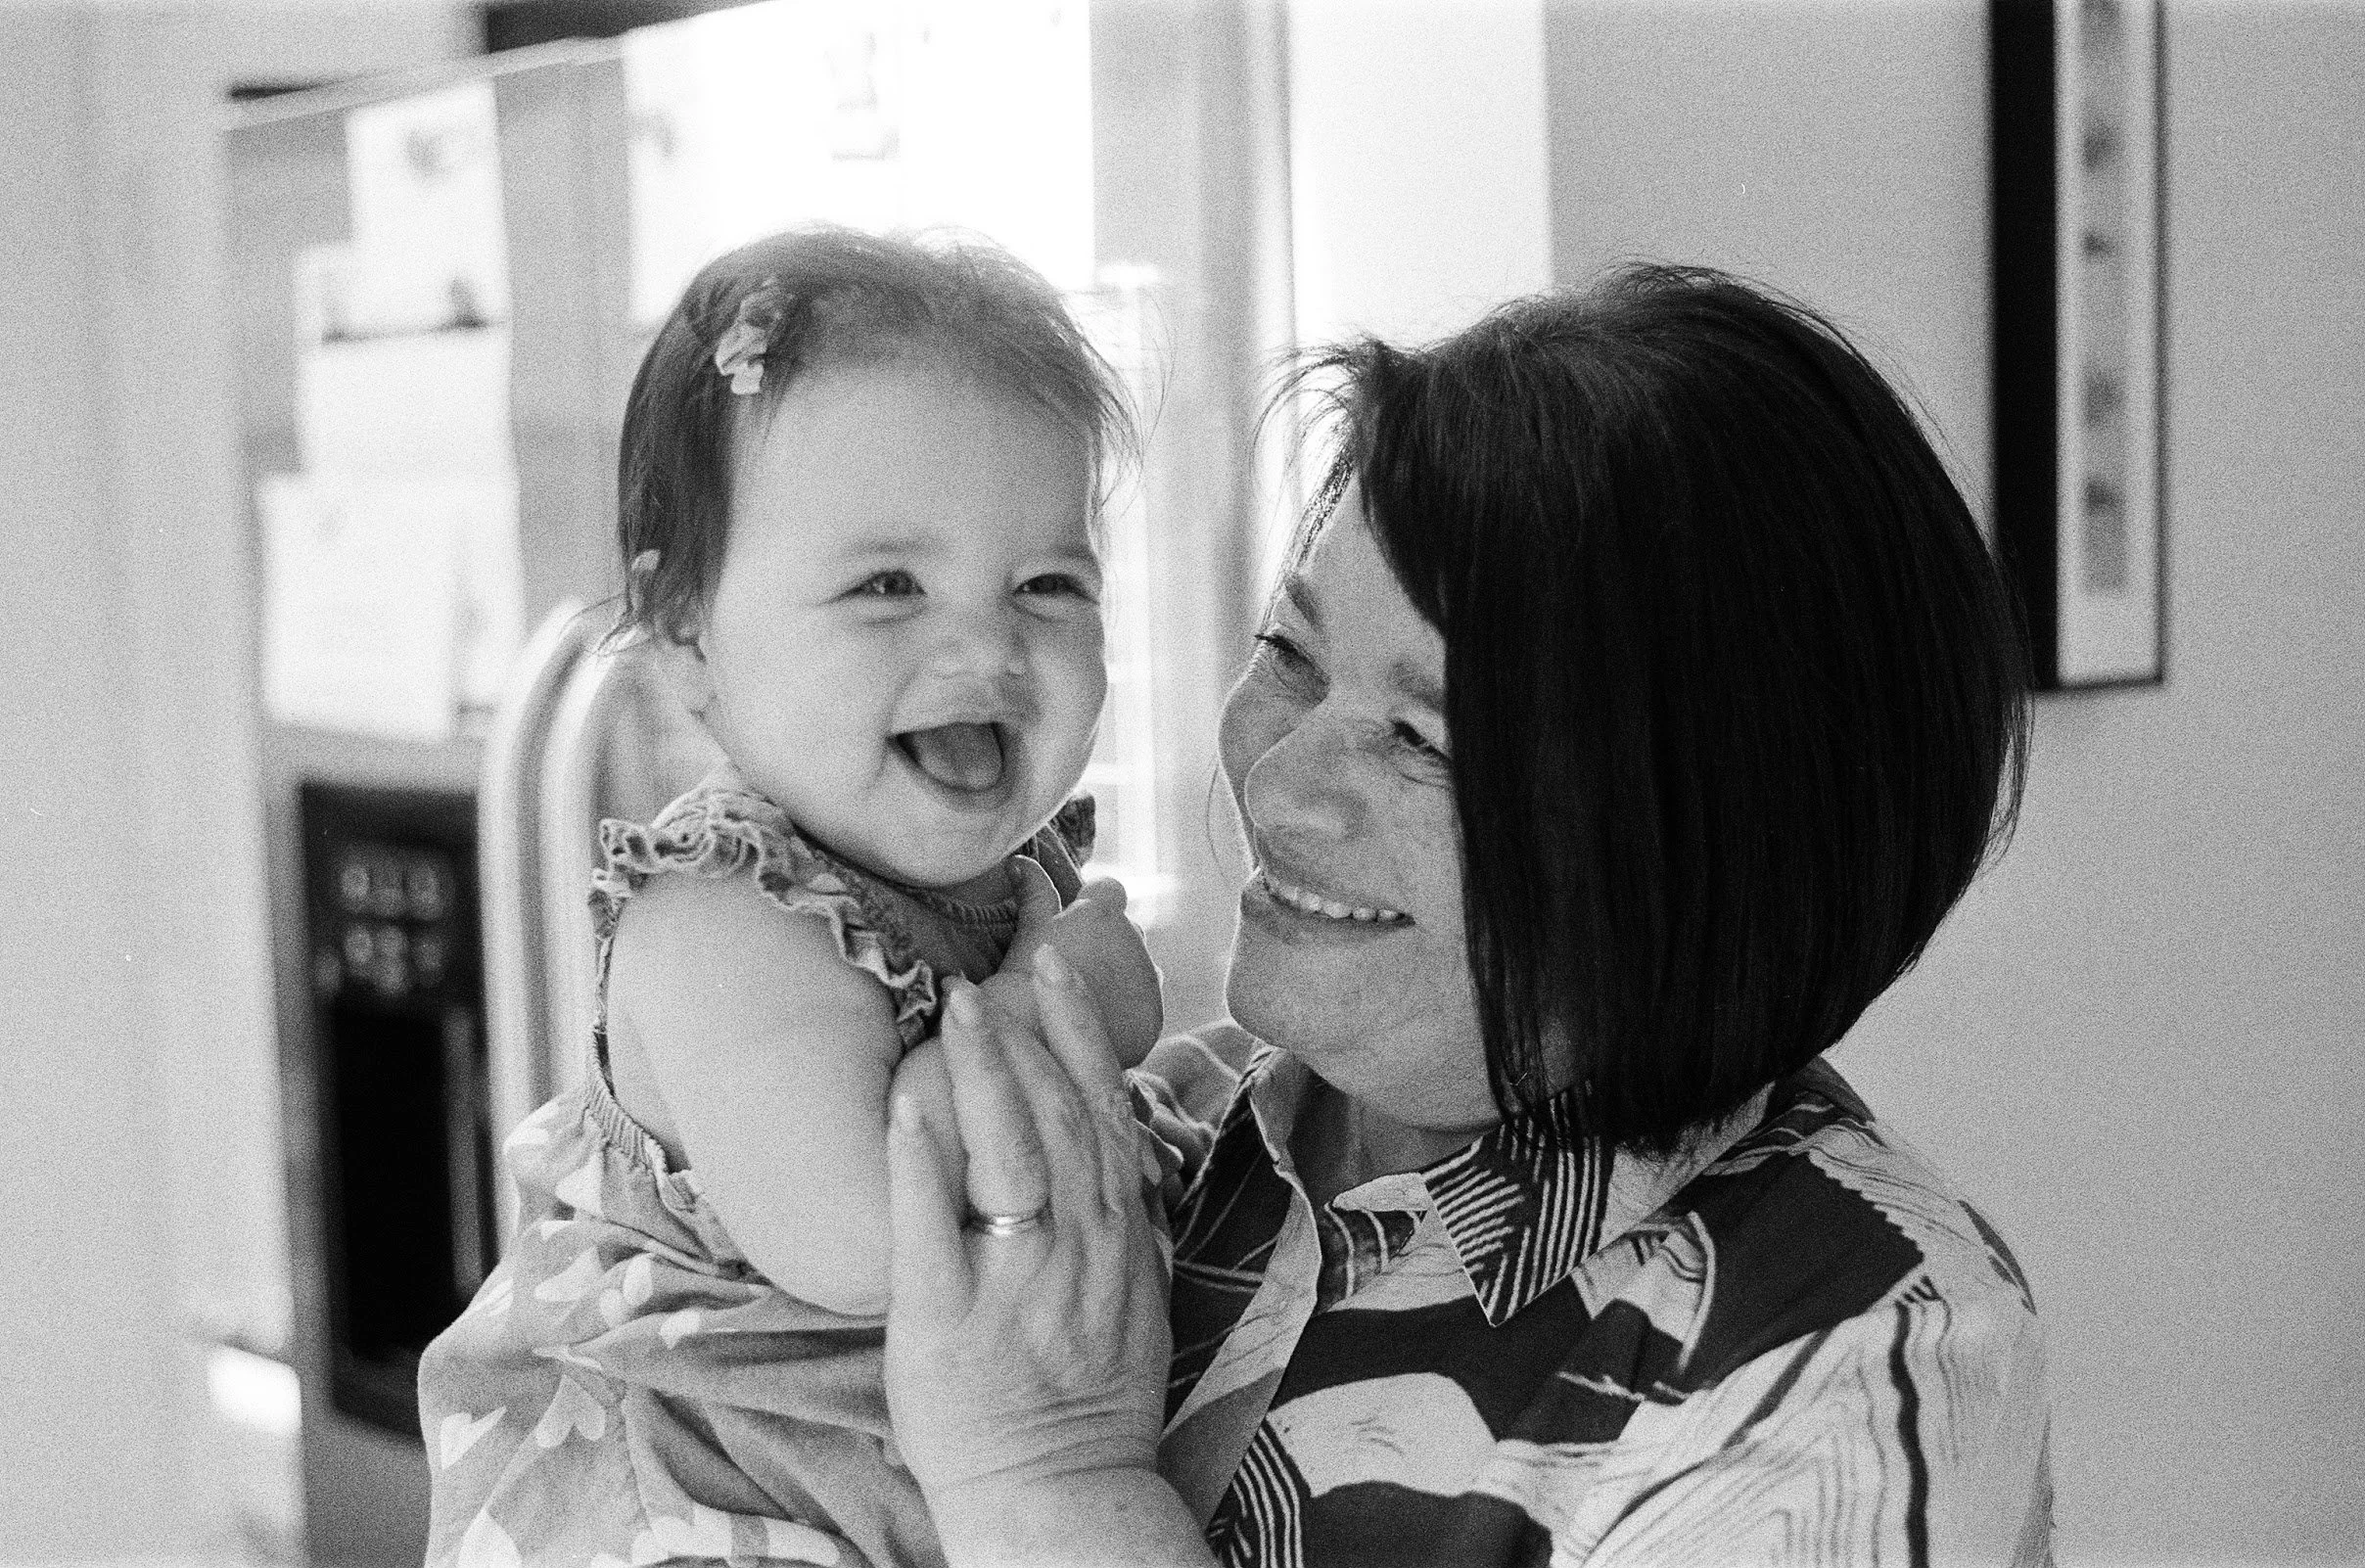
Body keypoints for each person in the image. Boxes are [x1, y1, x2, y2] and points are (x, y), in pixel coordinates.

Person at [878, 265, 2055, 1566]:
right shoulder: (1163, 1135)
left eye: (1421, 739)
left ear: (1706, 848)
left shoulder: (1841, 1358)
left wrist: (1048, 1483)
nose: (1275, 782)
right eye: (1290, 655)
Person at [416, 226, 1173, 1568]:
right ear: (691, 637)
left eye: (1049, 584)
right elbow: (866, 1233)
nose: (988, 642)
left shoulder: (1008, 874)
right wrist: (1058, 998)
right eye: (889, 585)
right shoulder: (718, 917)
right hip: (721, 1510)